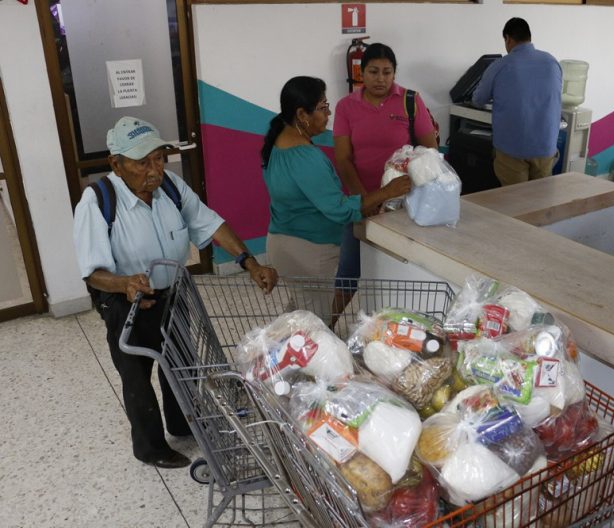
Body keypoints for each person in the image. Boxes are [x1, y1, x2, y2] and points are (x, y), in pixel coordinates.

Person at [73, 116, 278, 469]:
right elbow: (93, 273)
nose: (154, 170)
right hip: (128, 303)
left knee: (182, 362)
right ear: (116, 164)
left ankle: (183, 423)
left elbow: (211, 224)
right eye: (142, 162)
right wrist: (124, 283)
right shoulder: (98, 202)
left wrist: (249, 262)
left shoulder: (170, 187)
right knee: (136, 376)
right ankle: (150, 447)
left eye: (158, 158)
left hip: (173, 294)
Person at [262, 76, 411, 311]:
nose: (328, 113)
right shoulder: (306, 157)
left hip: (282, 242)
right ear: (302, 114)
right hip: (307, 250)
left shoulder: (279, 141)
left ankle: (280, 337)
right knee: (314, 321)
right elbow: (339, 209)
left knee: (300, 312)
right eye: (323, 107)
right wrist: (387, 192)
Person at [333, 43, 438, 293]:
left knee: (398, 268)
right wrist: (367, 200)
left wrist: (391, 196)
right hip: (361, 202)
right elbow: (343, 159)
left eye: (387, 72)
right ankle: (333, 316)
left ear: (394, 73)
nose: (380, 79)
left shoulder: (410, 101)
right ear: (361, 73)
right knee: (349, 271)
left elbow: (430, 152)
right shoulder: (346, 106)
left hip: (404, 204)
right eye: (373, 72)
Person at [473, 17, 562, 186]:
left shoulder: (500, 66)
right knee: (541, 197)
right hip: (546, 147)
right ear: (529, 37)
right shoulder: (552, 62)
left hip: (513, 149)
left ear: (508, 39)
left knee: (513, 199)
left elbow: (478, 100)